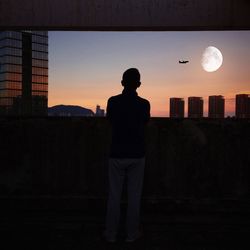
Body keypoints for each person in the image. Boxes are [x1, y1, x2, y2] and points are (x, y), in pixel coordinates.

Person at [104, 68, 150, 243]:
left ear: (122, 83)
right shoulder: (144, 104)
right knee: (134, 197)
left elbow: (111, 121)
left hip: (117, 153)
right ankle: (132, 234)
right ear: (138, 84)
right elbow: (145, 122)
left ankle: (110, 234)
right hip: (137, 154)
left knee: (114, 196)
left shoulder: (113, 102)